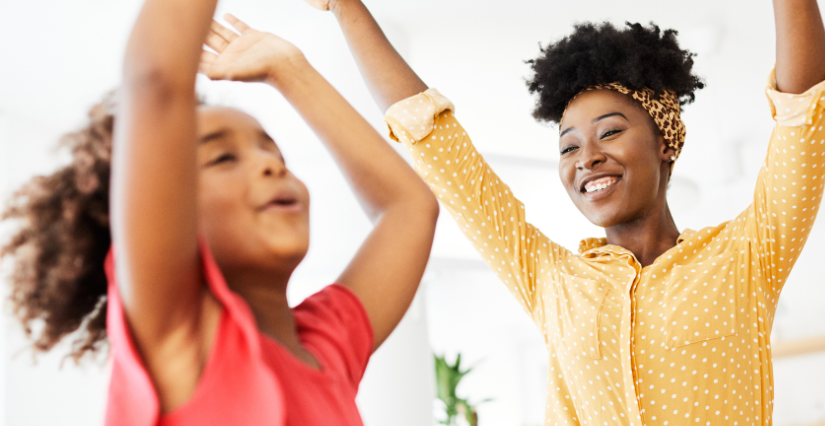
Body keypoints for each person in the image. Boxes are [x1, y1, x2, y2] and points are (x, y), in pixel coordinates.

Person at [302, 0, 825, 424]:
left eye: (611, 132)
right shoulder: (551, 281)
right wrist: (347, 7)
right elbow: (437, 145)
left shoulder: (746, 258)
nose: (587, 158)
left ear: (665, 142)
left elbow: (802, 116)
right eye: (568, 147)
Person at [0, 0, 439, 423]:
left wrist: (289, 70)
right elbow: (156, 81)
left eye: (275, 153)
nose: (270, 165)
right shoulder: (180, 334)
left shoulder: (328, 347)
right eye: (223, 159)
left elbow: (410, 208)